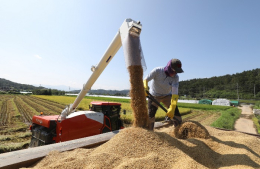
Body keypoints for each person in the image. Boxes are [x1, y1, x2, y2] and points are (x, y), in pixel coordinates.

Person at [143, 58, 184, 130]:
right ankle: (149, 133)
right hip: (154, 96)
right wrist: (145, 87)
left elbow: (175, 93)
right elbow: (146, 79)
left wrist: (172, 107)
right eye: (174, 71)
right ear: (169, 67)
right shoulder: (158, 71)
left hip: (167, 96)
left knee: (176, 115)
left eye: (177, 72)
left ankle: (179, 132)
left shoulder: (175, 77)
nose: (175, 73)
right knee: (150, 115)